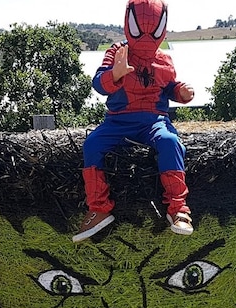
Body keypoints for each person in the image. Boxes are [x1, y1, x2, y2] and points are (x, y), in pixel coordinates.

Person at [74, 0, 195, 243]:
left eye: (154, 30)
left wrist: (180, 91)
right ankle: (99, 208)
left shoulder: (165, 60)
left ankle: (178, 209)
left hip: (154, 122)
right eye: (142, 29)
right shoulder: (118, 51)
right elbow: (99, 84)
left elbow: (168, 87)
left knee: (171, 142)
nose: (147, 37)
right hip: (118, 121)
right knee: (92, 145)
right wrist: (115, 74)